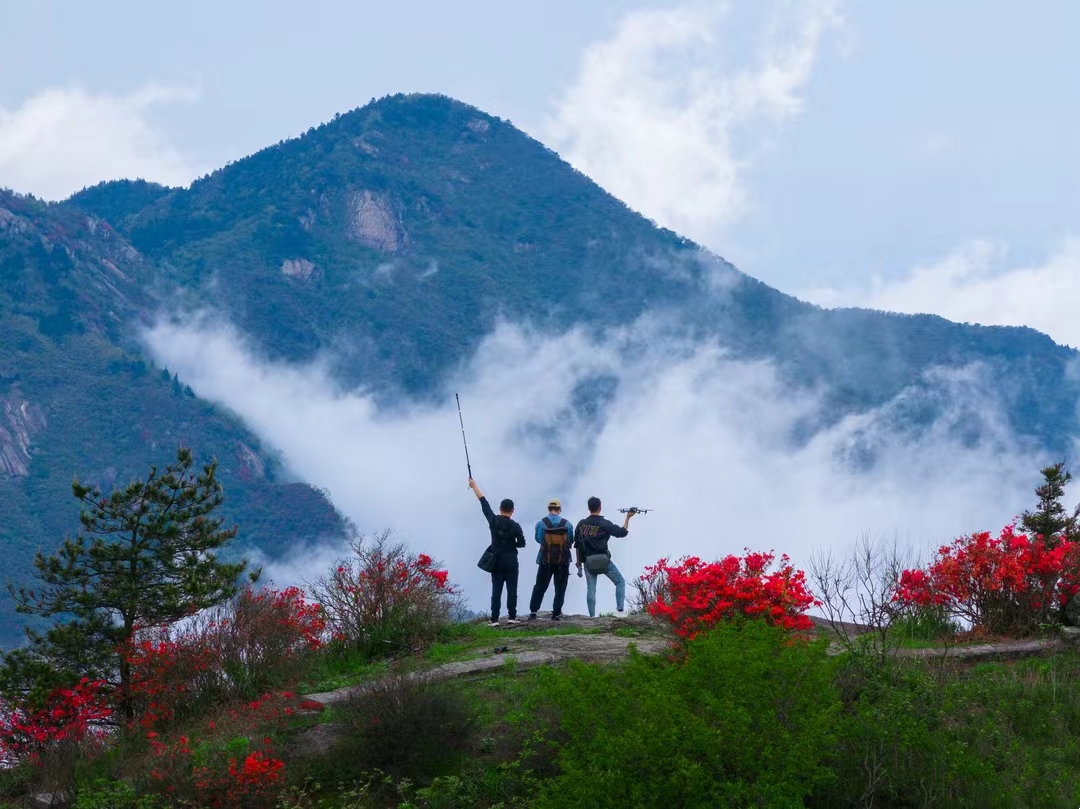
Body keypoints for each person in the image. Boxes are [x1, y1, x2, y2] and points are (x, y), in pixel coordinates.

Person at [469, 478, 526, 627]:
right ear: (512, 511)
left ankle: (494, 619)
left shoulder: (493, 521)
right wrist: (512, 542)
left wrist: (474, 485)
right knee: (512, 588)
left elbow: (483, 503)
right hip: (512, 561)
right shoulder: (515, 526)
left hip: (497, 561)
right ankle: (512, 616)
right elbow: (522, 543)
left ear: (500, 508)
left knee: (497, 590)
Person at [574, 496, 636, 618]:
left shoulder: (581, 524)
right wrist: (628, 517)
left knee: (591, 589)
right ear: (600, 507)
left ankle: (592, 616)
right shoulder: (604, 524)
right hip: (604, 561)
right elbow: (622, 533)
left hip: (588, 561)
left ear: (589, 508)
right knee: (620, 582)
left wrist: (579, 563)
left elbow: (576, 544)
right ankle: (619, 610)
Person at [528, 498, 574, 621]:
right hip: (562, 561)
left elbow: (538, 539)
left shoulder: (540, 524)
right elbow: (570, 541)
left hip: (545, 560)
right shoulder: (567, 524)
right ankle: (556, 613)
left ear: (549, 509)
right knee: (560, 587)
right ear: (559, 510)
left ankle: (533, 611)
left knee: (540, 586)